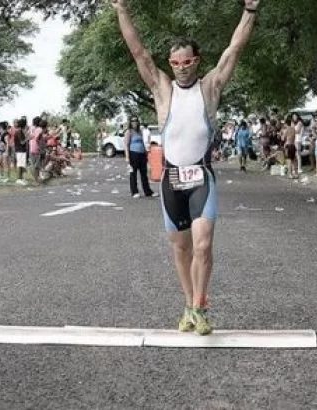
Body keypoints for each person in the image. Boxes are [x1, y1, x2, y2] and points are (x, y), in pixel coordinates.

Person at [112, 0, 261, 335]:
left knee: (204, 244)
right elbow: (139, 53)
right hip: (171, 179)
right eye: (176, 62)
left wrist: (249, 11)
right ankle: (188, 307)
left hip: (201, 177)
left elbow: (234, 49)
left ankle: (200, 306)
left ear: (197, 61)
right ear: (170, 63)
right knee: (181, 248)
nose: (181, 67)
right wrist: (122, 9)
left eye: (188, 61)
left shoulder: (210, 87)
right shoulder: (162, 90)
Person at [124, 115, 157, 198]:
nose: (134, 122)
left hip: (142, 154)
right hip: (133, 154)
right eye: (133, 121)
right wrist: (127, 157)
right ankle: (134, 191)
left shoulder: (140, 131)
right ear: (130, 122)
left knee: (144, 174)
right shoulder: (129, 132)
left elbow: (143, 142)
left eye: (136, 121)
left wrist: (146, 154)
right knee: (133, 173)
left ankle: (148, 191)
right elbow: (126, 145)